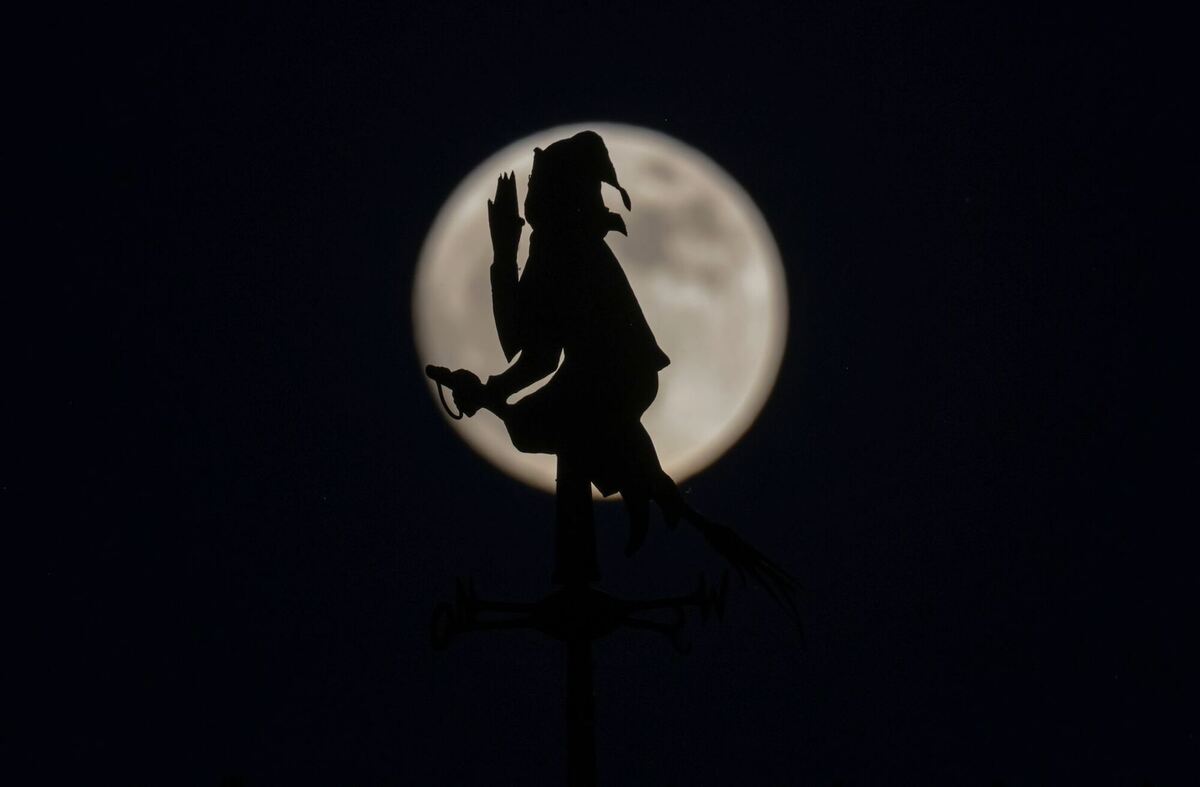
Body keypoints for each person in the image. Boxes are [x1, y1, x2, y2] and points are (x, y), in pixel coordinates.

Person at [429, 131, 798, 622]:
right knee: (536, 429)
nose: (533, 194)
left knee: (534, 428)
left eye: (540, 185)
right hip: (599, 375)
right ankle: (630, 502)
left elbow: (535, 355)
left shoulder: (567, 250)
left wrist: (492, 387)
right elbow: (526, 345)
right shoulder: (555, 246)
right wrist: (505, 254)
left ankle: (607, 529)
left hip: (614, 376)